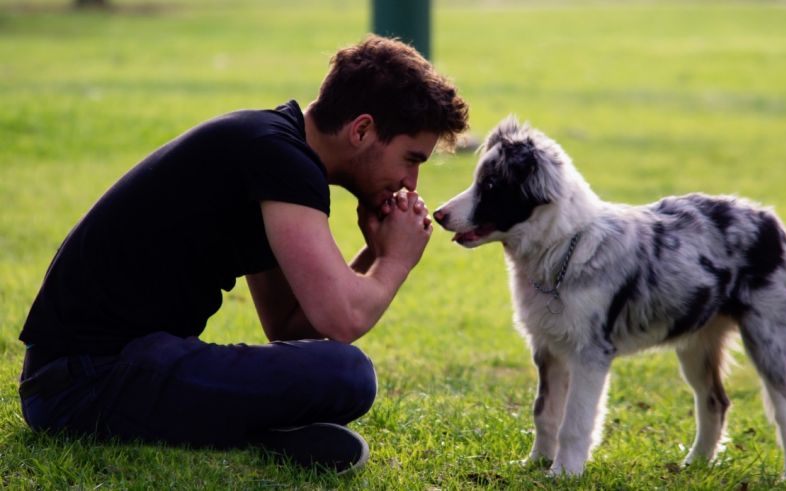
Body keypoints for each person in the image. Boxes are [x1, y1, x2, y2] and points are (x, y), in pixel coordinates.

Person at [18, 35, 469, 473]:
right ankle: (253, 433)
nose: (411, 183)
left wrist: (373, 255)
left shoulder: (274, 147)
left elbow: (290, 327)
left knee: (335, 371)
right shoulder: (279, 158)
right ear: (362, 130)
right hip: (83, 381)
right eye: (411, 159)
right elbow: (342, 320)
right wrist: (396, 260)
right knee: (347, 375)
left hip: (89, 374)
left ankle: (251, 431)